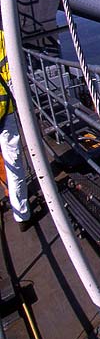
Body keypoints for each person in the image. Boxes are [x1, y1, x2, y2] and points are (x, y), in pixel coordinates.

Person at [0, 28, 30, 231]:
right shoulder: (3, 36)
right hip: (4, 108)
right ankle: (22, 216)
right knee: (14, 161)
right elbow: (14, 70)